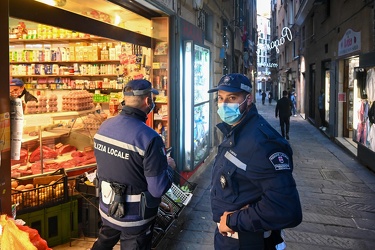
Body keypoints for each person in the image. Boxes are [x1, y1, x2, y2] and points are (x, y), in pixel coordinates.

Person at [207, 73, 302, 250]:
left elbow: (286, 209)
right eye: (220, 98)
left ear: (248, 99)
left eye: (232, 98)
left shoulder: (262, 143)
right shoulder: (236, 131)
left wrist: (231, 220)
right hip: (228, 240)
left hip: (247, 242)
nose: (224, 104)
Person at [92, 79, 176, 250]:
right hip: (135, 218)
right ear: (147, 100)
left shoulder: (104, 127)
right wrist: (169, 167)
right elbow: (157, 189)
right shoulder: (150, 138)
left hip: (108, 208)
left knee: (103, 243)